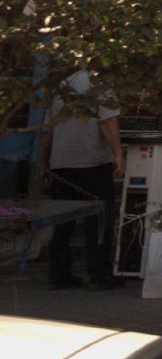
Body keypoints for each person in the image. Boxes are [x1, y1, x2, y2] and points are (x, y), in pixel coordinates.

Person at [43, 70, 125, 291]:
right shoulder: (100, 86)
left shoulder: (60, 87)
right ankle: (99, 274)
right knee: (98, 221)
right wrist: (118, 155)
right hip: (92, 162)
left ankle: (59, 273)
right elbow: (108, 122)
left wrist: (45, 161)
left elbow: (47, 131)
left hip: (61, 164)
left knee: (62, 222)